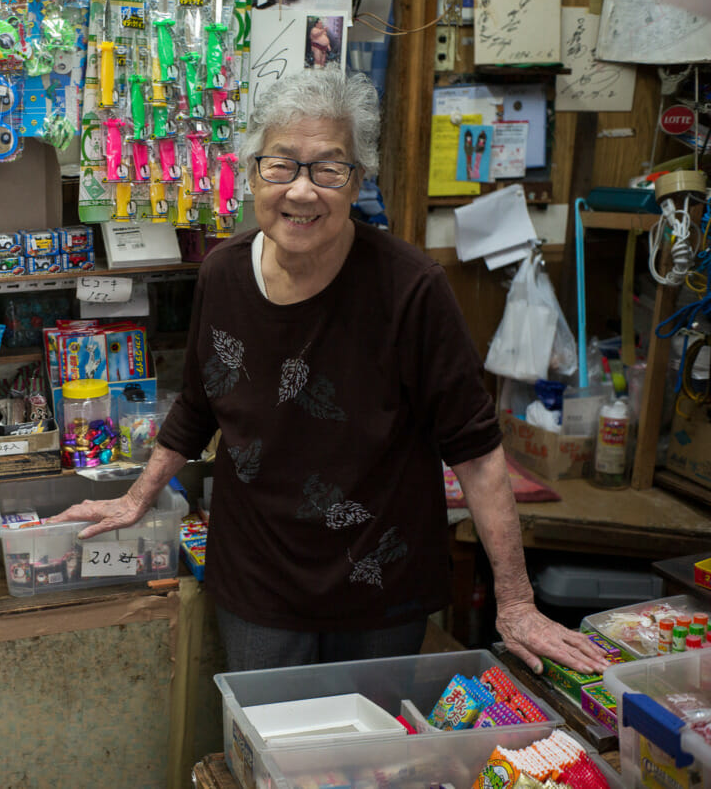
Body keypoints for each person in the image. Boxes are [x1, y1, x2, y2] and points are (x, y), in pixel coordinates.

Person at [48, 68, 609, 677]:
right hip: (259, 574)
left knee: (366, 763)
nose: (302, 191)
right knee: (269, 751)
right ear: (253, 172)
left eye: (328, 169)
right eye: (281, 164)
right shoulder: (222, 274)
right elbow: (198, 405)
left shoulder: (411, 288)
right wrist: (137, 497)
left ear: (356, 181)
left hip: (379, 578)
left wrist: (518, 602)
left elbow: (475, 452)